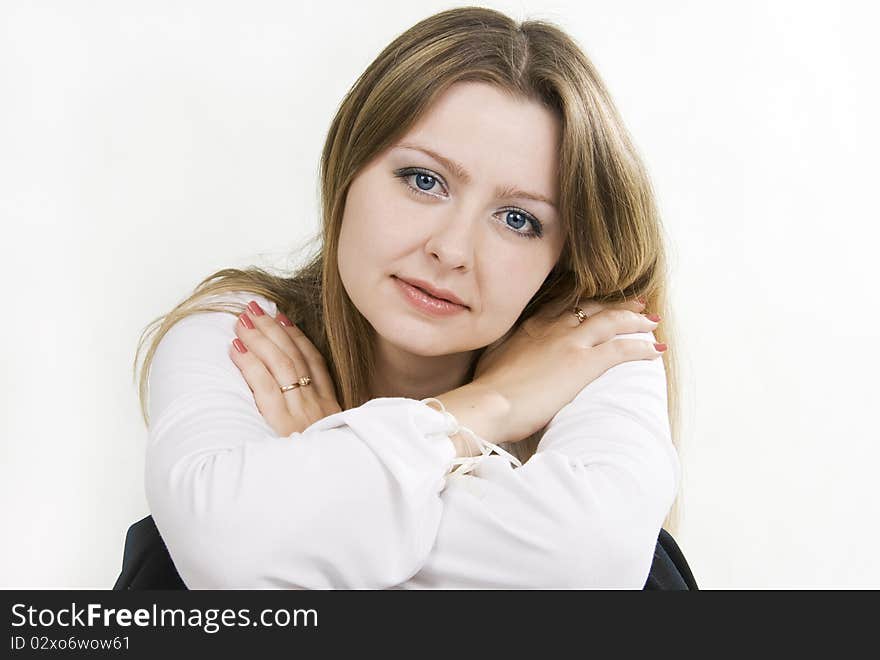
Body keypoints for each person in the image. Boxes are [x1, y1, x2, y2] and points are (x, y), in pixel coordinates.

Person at [132, 6, 683, 589]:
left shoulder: (596, 347)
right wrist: (491, 404)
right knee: (169, 570)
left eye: (518, 219)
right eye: (425, 180)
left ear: (561, 258)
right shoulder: (244, 335)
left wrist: (330, 481)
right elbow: (233, 553)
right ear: (347, 167)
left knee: (653, 576)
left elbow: (587, 563)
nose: (452, 250)